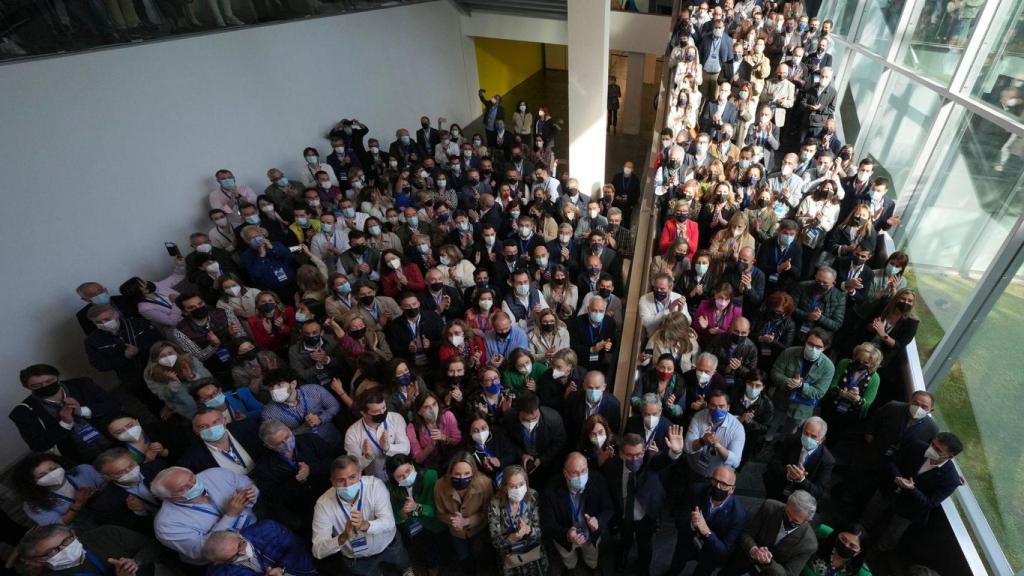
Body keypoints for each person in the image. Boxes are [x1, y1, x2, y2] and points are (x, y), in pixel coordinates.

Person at [862, 433, 964, 554]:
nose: (931, 449)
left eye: (937, 449)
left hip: (909, 510)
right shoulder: (917, 446)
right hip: (888, 490)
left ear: (950, 456)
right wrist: (898, 477)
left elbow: (929, 503)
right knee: (867, 517)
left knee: (891, 536)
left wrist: (912, 489)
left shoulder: (950, 479)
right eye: (932, 444)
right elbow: (893, 461)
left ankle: (873, 554)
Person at [310, 455, 413, 575]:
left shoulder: (375, 485)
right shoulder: (323, 504)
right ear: (332, 481)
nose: (347, 484)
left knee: (404, 565)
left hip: (390, 545)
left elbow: (389, 523)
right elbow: (317, 550)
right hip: (359, 560)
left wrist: (366, 525)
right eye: (340, 480)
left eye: (352, 477)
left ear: (360, 474)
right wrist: (342, 537)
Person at [603, 429, 684, 576]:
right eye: (629, 455)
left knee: (645, 545)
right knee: (624, 539)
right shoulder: (612, 466)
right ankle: (623, 557)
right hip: (623, 513)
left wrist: (675, 453)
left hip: (646, 515)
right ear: (621, 454)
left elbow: (663, 461)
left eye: (639, 454)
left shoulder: (650, 459)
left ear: (644, 451)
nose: (635, 459)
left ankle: (643, 567)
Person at [12, 364, 119, 463]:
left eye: (49, 381)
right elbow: (39, 445)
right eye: (36, 386)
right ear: (27, 387)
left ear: (57, 376)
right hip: (79, 458)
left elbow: (114, 404)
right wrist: (65, 424)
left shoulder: (83, 384)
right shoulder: (22, 412)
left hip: (114, 437)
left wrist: (82, 411)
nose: (44, 386)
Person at [151, 466, 259, 564]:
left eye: (192, 478)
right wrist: (230, 515)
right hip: (229, 560)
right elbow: (203, 550)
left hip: (256, 528)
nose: (193, 485)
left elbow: (248, 484)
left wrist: (251, 494)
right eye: (182, 488)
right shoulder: (165, 526)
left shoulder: (215, 474)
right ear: (167, 498)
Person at [251, 420, 335, 532]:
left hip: (331, 492)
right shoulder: (264, 467)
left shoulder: (310, 440)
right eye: (279, 443)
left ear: (290, 430)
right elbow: (273, 498)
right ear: (269, 446)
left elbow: (335, 461)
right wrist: (295, 481)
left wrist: (311, 469)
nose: (286, 443)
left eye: (287, 437)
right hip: (305, 509)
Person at [667, 465, 749, 576]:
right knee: (675, 566)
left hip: (711, 553)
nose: (717, 486)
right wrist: (692, 524)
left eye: (723, 484)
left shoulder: (739, 514)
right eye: (715, 481)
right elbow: (679, 520)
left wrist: (707, 532)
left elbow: (724, 551)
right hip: (686, 542)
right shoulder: (695, 490)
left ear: (731, 489)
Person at [540, 452, 613, 574]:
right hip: (565, 534)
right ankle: (571, 568)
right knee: (568, 556)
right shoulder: (550, 490)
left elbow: (608, 508)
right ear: (565, 473)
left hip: (590, 533)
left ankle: (592, 566)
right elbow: (547, 523)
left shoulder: (598, 480)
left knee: (591, 554)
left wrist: (598, 521)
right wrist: (567, 534)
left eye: (584, 471)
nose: (580, 476)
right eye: (575, 473)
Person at [721, 490, 819, 576]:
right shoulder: (769, 507)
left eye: (795, 521)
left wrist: (769, 563)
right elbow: (746, 533)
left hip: (772, 572)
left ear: (806, 521)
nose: (788, 520)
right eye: (787, 513)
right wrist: (754, 550)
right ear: (786, 505)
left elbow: (789, 574)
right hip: (748, 555)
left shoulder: (809, 544)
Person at [18, 523, 165, 576]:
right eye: (52, 552)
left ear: (74, 534)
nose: (66, 549)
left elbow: (152, 545)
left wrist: (136, 561)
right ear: (37, 562)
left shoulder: (107, 533)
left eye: (68, 541)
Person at [434, 451, 495, 573]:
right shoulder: (440, 485)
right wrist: (454, 520)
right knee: (464, 557)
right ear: (450, 472)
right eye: (457, 474)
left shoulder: (485, 484)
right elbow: (439, 513)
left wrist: (467, 521)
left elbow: (489, 512)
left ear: (473, 472)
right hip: (457, 533)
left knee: (479, 554)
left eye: (467, 473)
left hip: (478, 530)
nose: (462, 478)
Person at [385, 454, 446, 573]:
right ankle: (432, 565)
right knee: (425, 547)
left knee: (442, 546)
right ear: (393, 479)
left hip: (434, 522)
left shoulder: (430, 476)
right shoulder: (390, 489)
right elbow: (396, 518)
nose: (406, 477)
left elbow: (436, 509)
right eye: (400, 477)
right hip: (413, 525)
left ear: (412, 465)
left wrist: (417, 507)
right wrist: (402, 513)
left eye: (408, 471)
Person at [771, 328, 836, 434]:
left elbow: (819, 392)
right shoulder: (789, 352)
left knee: (790, 433)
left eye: (818, 347)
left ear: (825, 348)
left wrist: (801, 386)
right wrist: (789, 381)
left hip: (802, 408)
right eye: (810, 344)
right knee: (771, 426)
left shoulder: (828, 367)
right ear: (805, 341)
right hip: (781, 400)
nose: (813, 348)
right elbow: (775, 372)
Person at [12, 453, 106, 527]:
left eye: (53, 468)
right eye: (42, 475)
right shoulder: (33, 504)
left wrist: (99, 491)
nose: (52, 474)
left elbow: (109, 484)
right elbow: (58, 526)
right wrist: (78, 504)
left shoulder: (83, 470)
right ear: (31, 482)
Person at [820, 344, 882, 452]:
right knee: (819, 432)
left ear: (872, 364)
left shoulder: (875, 378)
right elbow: (832, 384)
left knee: (832, 440)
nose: (860, 364)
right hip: (831, 407)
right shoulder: (844, 363)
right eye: (858, 359)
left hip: (849, 415)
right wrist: (841, 393)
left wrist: (857, 399)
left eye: (865, 363)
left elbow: (867, 404)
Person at [90, 447, 167, 533]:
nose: (130, 472)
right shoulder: (105, 504)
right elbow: (128, 531)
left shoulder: (159, 468)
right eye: (120, 472)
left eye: (132, 465)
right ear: (107, 477)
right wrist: (139, 512)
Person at [262, 368, 342, 448]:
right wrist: (303, 428)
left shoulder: (314, 390)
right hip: (307, 449)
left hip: (332, 439)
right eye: (271, 387)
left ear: (293, 384)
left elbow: (334, 406)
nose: (274, 390)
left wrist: (320, 418)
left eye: (279, 385)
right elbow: (279, 440)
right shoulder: (268, 413)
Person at [201, 521, 317, 576]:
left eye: (241, 545)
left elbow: (298, 547)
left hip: (304, 570)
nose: (242, 552)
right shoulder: (218, 574)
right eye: (234, 556)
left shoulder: (267, 529)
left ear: (239, 535)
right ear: (218, 562)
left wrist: (281, 568)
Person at [343, 389, 411, 482]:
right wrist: (366, 458)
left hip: (403, 475)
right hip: (377, 480)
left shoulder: (396, 418)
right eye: (376, 411)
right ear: (363, 413)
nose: (382, 413)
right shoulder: (352, 433)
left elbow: (406, 449)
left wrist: (388, 448)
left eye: (384, 408)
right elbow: (353, 467)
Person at [684, 389, 745, 489]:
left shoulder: (737, 428)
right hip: (694, 469)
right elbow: (687, 447)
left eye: (721, 406)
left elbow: (735, 462)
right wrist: (702, 441)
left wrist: (718, 446)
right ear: (708, 405)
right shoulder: (699, 416)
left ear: (728, 407)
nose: (717, 410)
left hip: (717, 478)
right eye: (713, 405)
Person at [765, 416, 835, 502]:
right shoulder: (791, 440)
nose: (808, 438)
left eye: (813, 436)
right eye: (806, 433)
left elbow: (818, 492)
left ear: (822, 439)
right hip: (777, 488)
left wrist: (801, 479)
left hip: (800, 500)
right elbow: (773, 463)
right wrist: (788, 474)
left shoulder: (827, 460)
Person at [503, 391, 566, 485]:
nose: (530, 423)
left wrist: (541, 459)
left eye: (535, 418)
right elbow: (507, 441)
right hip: (520, 462)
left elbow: (560, 441)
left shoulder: (553, 418)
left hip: (548, 462)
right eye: (525, 420)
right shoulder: (509, 418)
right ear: (518, 412)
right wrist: (522, 455)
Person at [178, 407, 263, 474]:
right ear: (195, 431)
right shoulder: (191, 459)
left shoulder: (249, 428)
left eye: (215, 422)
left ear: (225, 420)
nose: (211, 428)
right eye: (203, 426)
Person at [563, 371, 622, 449]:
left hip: (601, 445)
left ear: (604, 387)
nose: (594, 391)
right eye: (590, 388)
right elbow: (568, 425)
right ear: (584, 386)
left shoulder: (613, 404)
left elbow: (613, 430)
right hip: (577, 444)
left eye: (597, 388)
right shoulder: (573, 399)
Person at [386, 291, 445, 369]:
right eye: (407, 306)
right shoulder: (394, 325)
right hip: (410, 365)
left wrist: (430, 344)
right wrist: (407, 348)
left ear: (419, 303)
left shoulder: (434, 317)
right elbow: (394, 349)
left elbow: (444, 340)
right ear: (401, 307)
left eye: (414, 304)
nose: (412, 308)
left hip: (433, 362)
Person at [729, 372, 774, 463]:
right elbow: (724, 411)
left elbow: (765, 428)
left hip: (747, 439)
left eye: (758, 386)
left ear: (763, 387)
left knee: (737, 461)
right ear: (746, 383)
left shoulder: (767, 405)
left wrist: (751, 422)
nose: (753, 388)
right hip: (729, 431)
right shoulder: (734, 393)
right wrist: (739, 418)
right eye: (750, 384)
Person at [793, 266, 846, 341]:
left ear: (833, 283)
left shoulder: (839, 297)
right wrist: (807, 316)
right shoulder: (803, 286)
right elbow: (791, 308)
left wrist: (820, 318)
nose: (821, 284)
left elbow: (836, 324)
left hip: (819, 337)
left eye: (825, 283)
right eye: (818, 281)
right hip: (796, 329)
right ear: (815, 277)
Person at [800, 523, 870, 576]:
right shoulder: (818, 545)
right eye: (843, 539)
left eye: (852, 545)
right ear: (837, 535)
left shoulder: (861, 572)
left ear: (859, 552)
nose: (846, 545)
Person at [194, 380, 263, 422]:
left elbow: (263, 410)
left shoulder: (240, 394)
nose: (213, 397)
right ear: (200, 401)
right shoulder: (202, 416)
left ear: (220, 390)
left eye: (215, 393)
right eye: (207, 397)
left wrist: (246, 416)